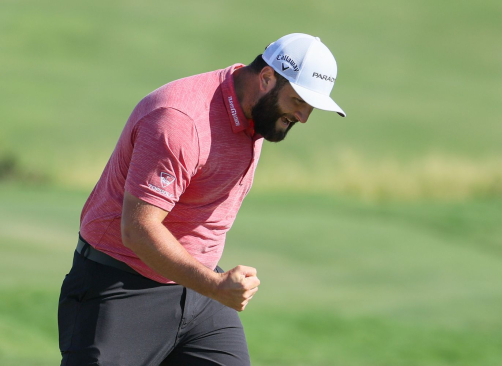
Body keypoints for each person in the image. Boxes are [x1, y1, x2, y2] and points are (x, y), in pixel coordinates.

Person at [58, 33, 346, 366]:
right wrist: (215, 285)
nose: (304, 116)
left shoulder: (257, 113)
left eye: (311, 106)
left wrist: (209, 286)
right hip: (120, 289)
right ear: (266, 78)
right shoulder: (180, 121)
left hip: (198, 293)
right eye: (298, 100)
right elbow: (137, 229)